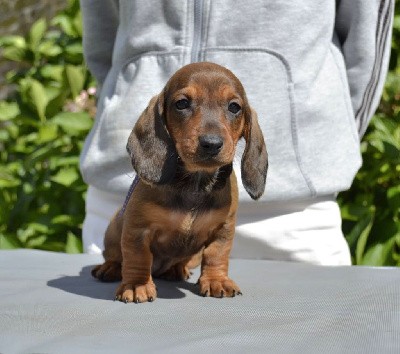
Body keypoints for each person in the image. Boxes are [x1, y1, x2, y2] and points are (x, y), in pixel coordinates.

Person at [79, 0, 394, 265]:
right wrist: (124, 103)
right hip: (132, 196)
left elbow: (366, 34)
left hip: (290, 215)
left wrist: (318, 142)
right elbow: (101, 32)